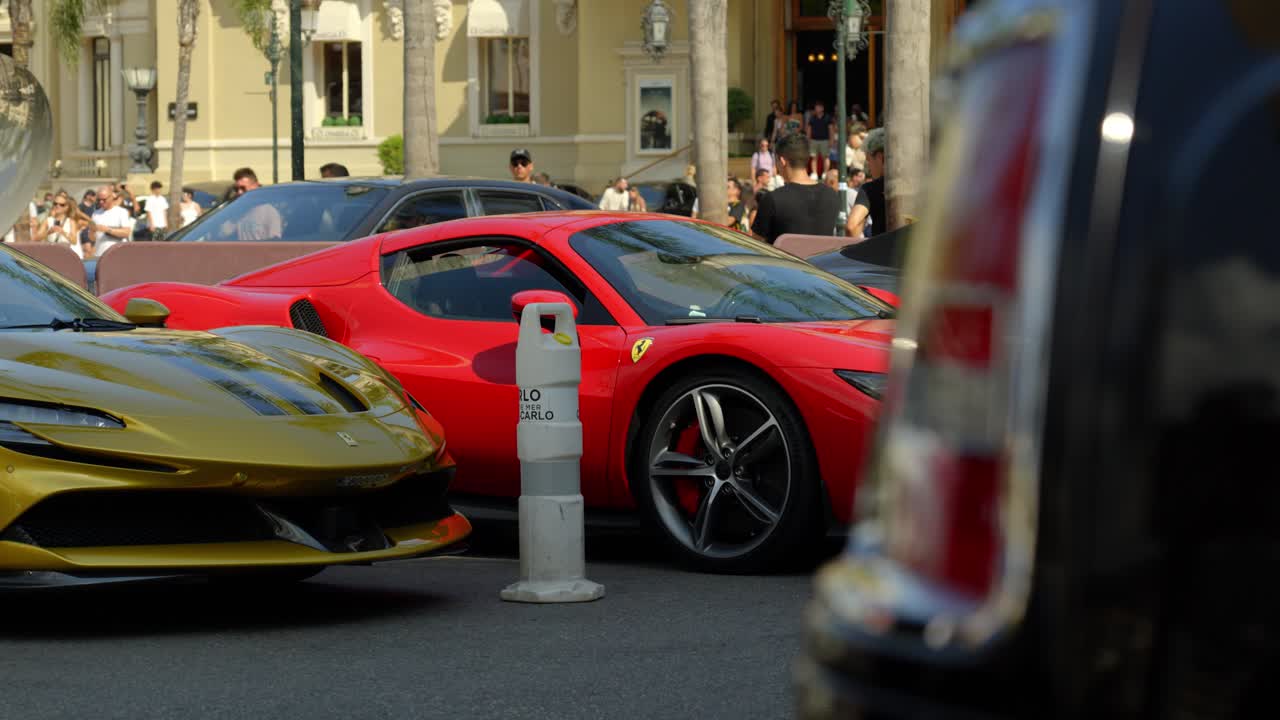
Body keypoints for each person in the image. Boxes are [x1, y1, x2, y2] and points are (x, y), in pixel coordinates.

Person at [751, 133, 841, 245]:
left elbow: (757, 244)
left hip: (784, 257)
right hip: (822, 256)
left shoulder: (772, 199)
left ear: (782, 161)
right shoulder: (831, 195)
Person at [34, 190, 91, 257]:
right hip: (51, 254)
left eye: (61, 205)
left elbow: (74, 241)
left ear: (66, 207)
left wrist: (63, 232)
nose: (57, 206)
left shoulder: (70, 221)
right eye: (55, 204)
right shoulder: (48, 220)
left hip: (65, 255)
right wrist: (48, 232)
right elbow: (36, 238)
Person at [90, 184, 135, 255]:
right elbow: (92, 239)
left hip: (118, 254)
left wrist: (108, 230)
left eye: (104, 199)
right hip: (100, 254)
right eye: (99, 200)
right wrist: (92, 231)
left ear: (111, 197)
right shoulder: (95, 214)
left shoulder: (121, 212)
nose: (101, 202)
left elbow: (126, 232)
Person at [860, 127, 886, 237]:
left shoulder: (871, 189)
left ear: (880, 157)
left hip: (881, 247)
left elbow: (852, 225)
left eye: (869, 160)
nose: (868, 167)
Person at [806, 101, 835, 178]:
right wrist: (808, 140)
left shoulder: (827, 118)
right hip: (814, 140)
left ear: (822, 108)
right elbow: (809, 129)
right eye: (816, 107)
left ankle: (825, 173)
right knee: (814, 157)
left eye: (819, 107)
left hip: (825, 140)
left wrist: (831, 140)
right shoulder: (812, 118)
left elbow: (831, 129)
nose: (817, 108)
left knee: (826, 157)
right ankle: (814, 173)